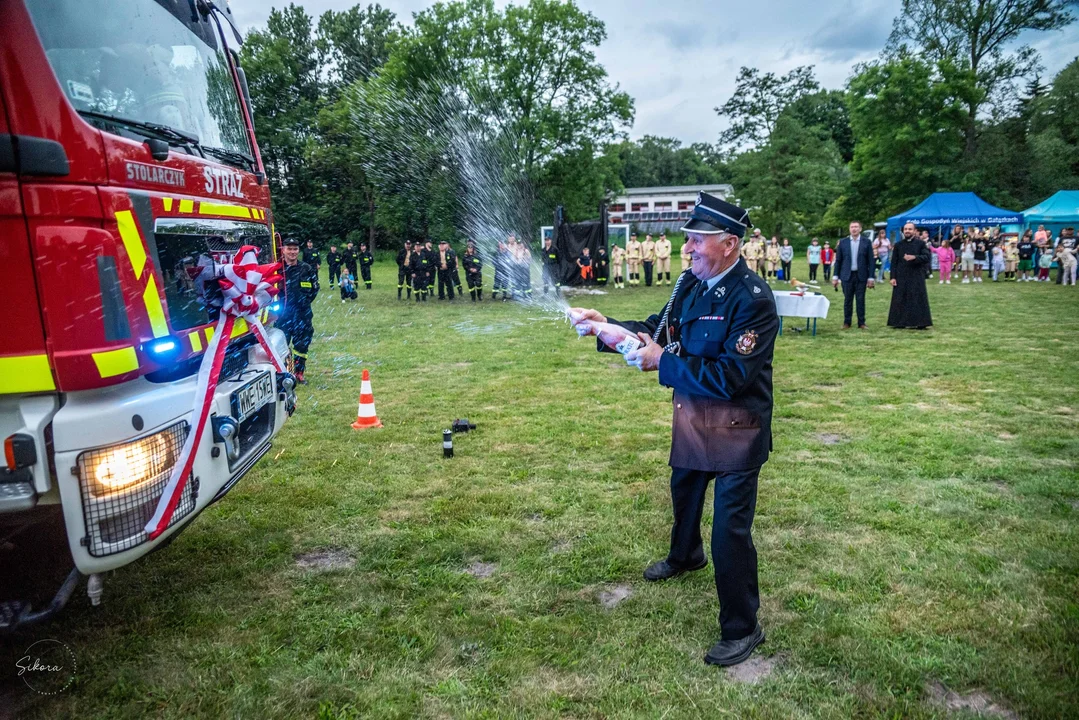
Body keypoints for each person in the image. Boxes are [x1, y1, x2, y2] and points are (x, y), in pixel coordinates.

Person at [570, 192, 776, 668]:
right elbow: (656, 329)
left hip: (736, 429)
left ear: (728, 244)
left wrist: (662, 361)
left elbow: (730, 378)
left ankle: (744, 627)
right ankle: (685, 556)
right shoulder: (691, 282)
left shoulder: (754, 300)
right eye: (687, 240)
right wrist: (606, 326)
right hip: (692, 419)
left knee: (730, 531)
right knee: (683, 493)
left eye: (697, 241)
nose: (687, 250)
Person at [278, 237, 319, 383]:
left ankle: (299, 372)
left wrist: (304, 302)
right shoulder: (277, 269)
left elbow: (315, 288)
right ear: (283, 250)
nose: (292, 252)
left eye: (295, 249)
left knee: (302, 344)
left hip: (303, 313)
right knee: (281, 343)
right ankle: (284, 372)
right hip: (283, 314)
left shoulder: (306, 268)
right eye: (289, 249)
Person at [887, 222, 932, 329]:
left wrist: (915, 258)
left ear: (914, 231)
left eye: (910, 229)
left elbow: (927, 257)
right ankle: (899, 322)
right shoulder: (898, 245)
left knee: (917, 299)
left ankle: (920, 322)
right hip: (901, 276)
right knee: (900, 299)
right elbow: (894, 262)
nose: (907, 231)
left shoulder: (920, 244)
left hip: (916, 276)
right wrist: (893, 277)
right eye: (906, 229)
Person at [833, 221, 875, 330]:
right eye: (852, 227)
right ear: (849, 229)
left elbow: (871, 261)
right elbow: (838, 261)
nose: (854, 229)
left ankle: (861, 322)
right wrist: (835, 276)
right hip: (847, 275)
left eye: (856, 227)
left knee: (860, 300)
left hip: (861, 275)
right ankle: (847, 322)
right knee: (848, 300)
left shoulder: (866, 242)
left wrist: (871, 277)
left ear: (860, 229)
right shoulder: (843, 242)